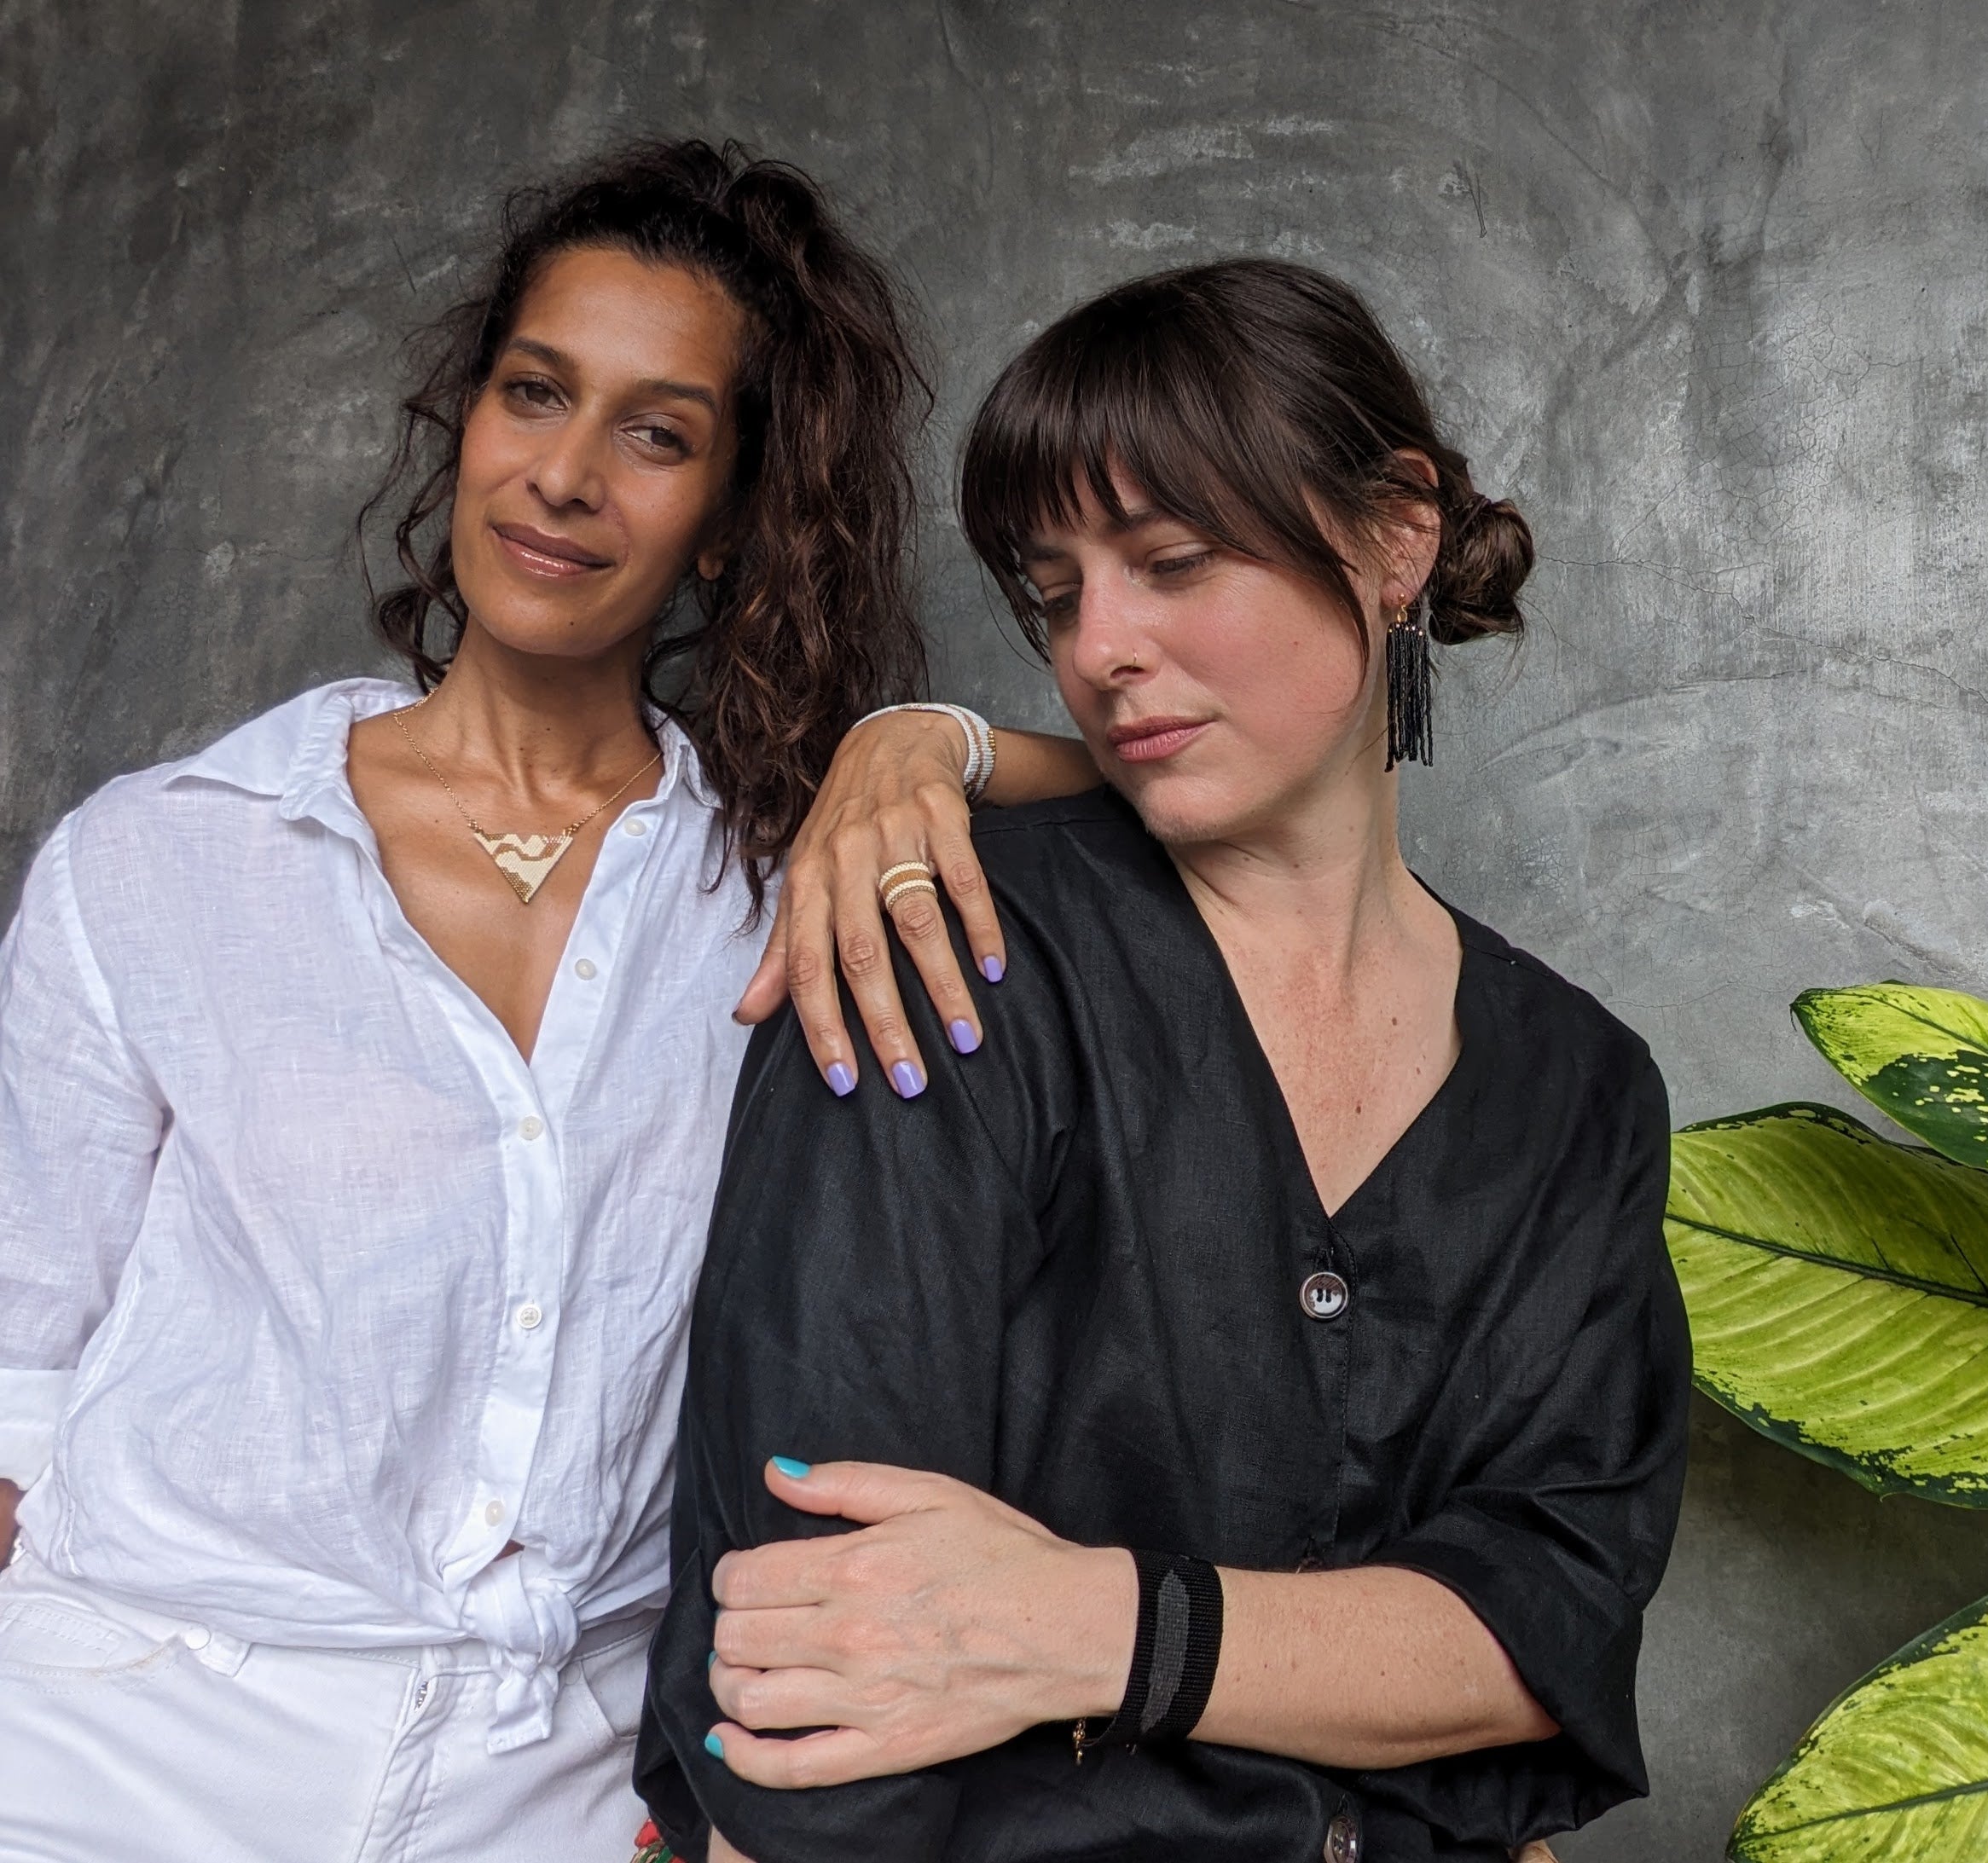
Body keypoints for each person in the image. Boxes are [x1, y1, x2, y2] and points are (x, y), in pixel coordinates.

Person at [0, 140, 1091, 1860]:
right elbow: (17, 1384)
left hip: (558, 1777)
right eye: (535, 395)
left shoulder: (789, 878)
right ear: (470, 422)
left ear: (732, 512)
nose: (565, 477)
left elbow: (1178, 789)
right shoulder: (161, 860)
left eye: (655, 434)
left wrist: (923, 738)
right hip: (117, 1733)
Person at [640, 258, 1692, 1863]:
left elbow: (1544, 1631)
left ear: (1395, 535)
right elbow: (819, 1662)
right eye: (1055, 593)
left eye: (1173, 560)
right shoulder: (943, 952)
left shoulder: (1577, 1087)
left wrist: (1098, 1624)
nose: (1101, 646)